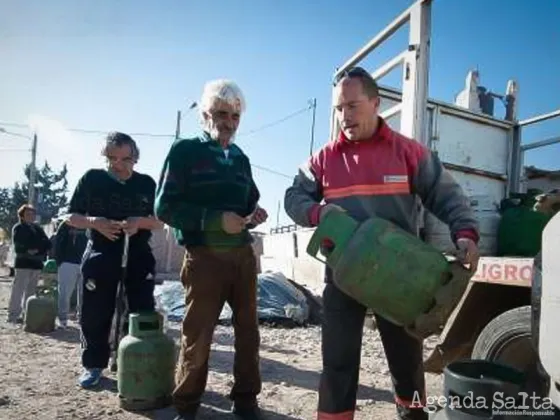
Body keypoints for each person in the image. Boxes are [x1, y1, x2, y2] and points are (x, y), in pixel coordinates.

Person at [284, 67, 481, 420]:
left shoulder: (408, 153)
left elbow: (446, 195)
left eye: (352, 106)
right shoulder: (323, 159)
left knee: (407, 366)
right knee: (338, 365)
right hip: (342, 277)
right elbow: (293, 195)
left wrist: (465, 233)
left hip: (398, 276)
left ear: (375, 103)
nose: (344, 116)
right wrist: (316, 213)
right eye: (339, 108)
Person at [155, 79, 268, 420]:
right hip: (204, 258)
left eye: (235, 116)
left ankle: (246, 401)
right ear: (206, 114)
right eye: (222, 113)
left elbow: (250, 199)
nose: (229, 122)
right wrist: (215, 220)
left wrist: (254, 214)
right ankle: (187, 406)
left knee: (248, 333)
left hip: (243, 258)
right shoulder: (185, 151)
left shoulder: (240, 158)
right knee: (198, 334)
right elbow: (164, 207)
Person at [65, 131, 163, 388]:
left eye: (125, 159)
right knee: (95, 311)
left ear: (136, 158)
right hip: (101, 252)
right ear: (104, 156)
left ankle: (131, 360)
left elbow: (161, 222)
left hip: (138, 253)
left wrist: (139, 222)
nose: (118, 165)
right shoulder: (92, 179)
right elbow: (71, 217)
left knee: (140, 309)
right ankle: (93, 364)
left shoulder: (147, 184)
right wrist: (94, 222)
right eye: (112, 158)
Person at [7, 204, 52, 323]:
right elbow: (19, 243)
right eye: (28, 214)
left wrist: (38, 249)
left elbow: (47, 243)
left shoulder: (38, 229)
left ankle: (27, 314)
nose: (31, 216)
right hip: (23, 263)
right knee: (18, 290)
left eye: (32, 214)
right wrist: (29, 249)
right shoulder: (19, 227)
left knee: (31, 291)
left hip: (36, 264)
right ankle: (13, 315)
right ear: (22, 216)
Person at [53, 219, 88, 328]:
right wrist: (60, 261)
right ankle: (62, 319)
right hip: (68, 262)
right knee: (64, 292)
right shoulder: (66, 223)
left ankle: (82, 318)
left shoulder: (91, 222)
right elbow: (58, 242)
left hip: (86, 262)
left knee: (85, 293)